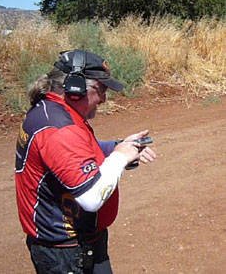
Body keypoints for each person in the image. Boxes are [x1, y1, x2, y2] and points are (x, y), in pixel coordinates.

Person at [15, 49, 156, 274]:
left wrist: (118, 146)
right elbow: (91, 198)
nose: (103, 99)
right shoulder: (59, 129)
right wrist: (120, 157)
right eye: (100, 90)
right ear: (74, 88)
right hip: (67, 252)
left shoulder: (53, 112)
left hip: (77, 244)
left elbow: (79, 152)